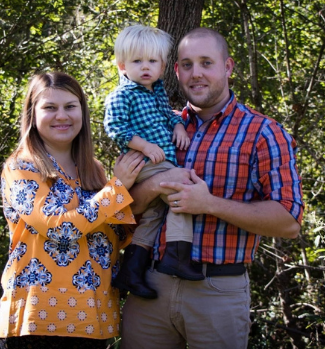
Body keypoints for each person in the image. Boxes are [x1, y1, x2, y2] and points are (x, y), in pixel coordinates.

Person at [121, 27, 304, 349]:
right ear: (175, 71)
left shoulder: (263, 132)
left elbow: (288, 222)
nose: (196, 73)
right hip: (151, 286)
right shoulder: (160, 128)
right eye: (187, 65)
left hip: (218, 292)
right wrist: (153, 185)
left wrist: (208, 204)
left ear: (228, 67)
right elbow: (126, 207)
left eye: (207, 62)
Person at [0, 72, 145, 349]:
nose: (61, 116)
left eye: (70, 106)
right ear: (32, 113)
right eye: (50, 107)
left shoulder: (94, 170)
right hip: (38, 320)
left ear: (82, 111)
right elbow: (60, 229)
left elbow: (115, 235)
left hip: (93, 319)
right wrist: (118, 187)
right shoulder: (22, 167)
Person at [104, 25, 204, 300]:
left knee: (153, 216)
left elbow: (169, 115)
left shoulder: (157, 92)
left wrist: (179, 127)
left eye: (152, 61)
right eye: (137, 62)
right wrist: (146, 146)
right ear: (123, 65)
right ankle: (177, 256)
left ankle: (131, 272)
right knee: (181, 187)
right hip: (146, 161)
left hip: (160, 159)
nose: (145, 68)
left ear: (162, 66)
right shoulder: (121, 95)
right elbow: (115, 128)